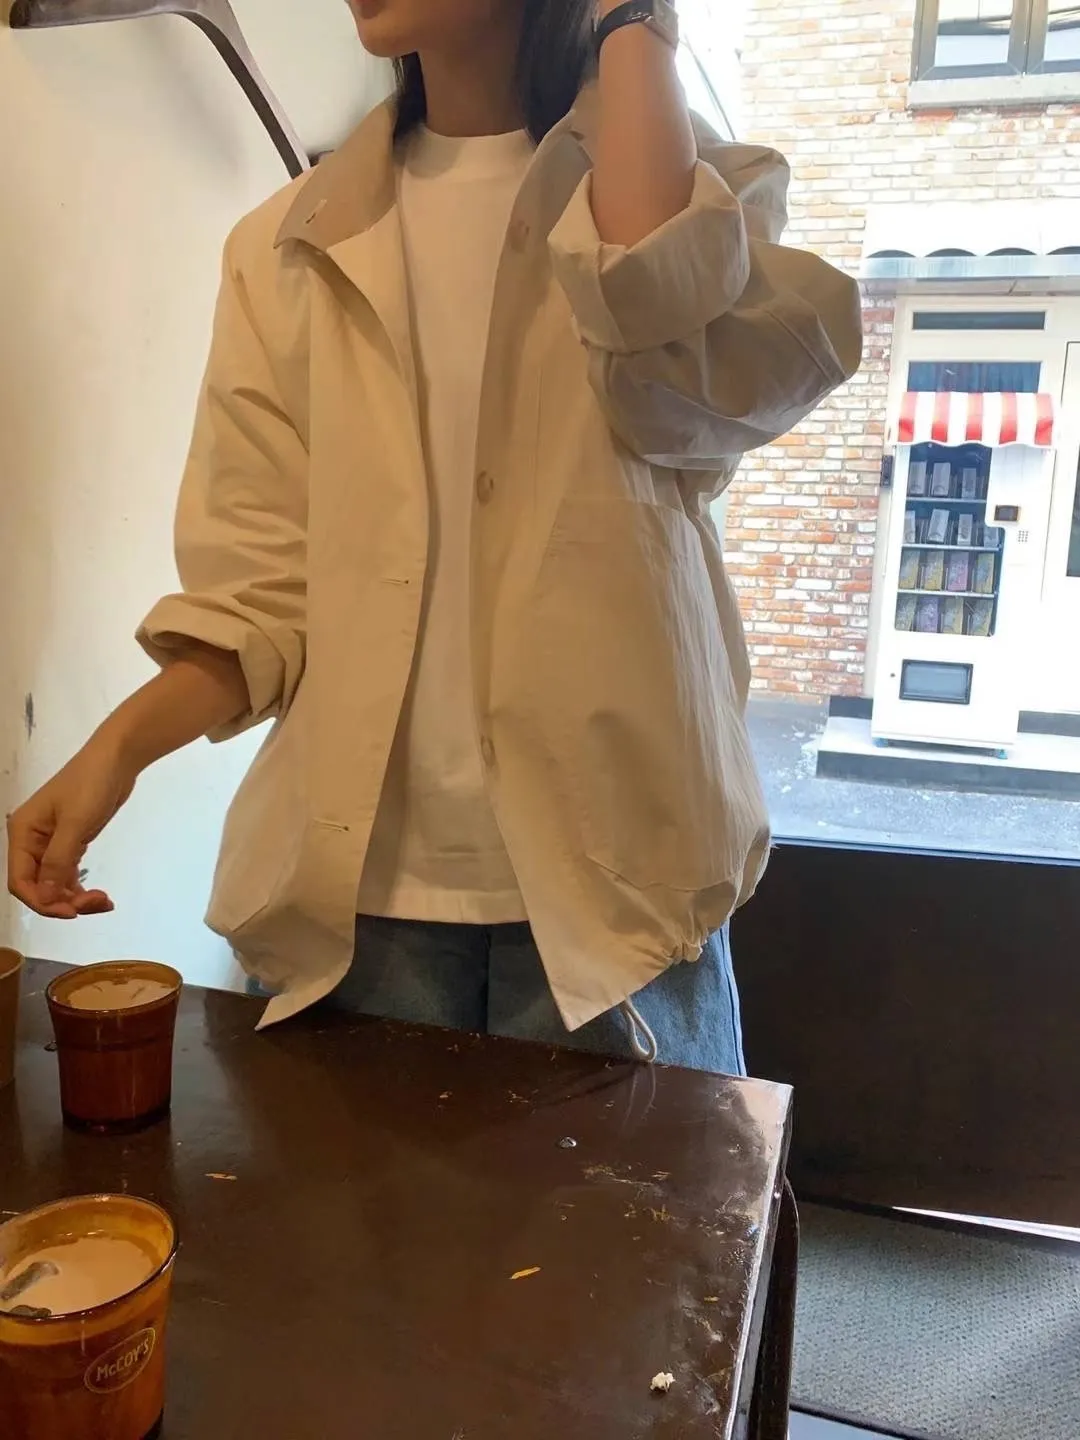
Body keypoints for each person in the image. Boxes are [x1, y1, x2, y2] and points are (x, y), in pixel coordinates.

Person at [6, 0, 862, 1071]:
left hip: (619, 905)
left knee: (640, 1191)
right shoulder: (288, 247)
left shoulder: (696, 204)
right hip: (360, 912)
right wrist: (116, 751)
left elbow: (653, 292)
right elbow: (260, 597)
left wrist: (633, 21)